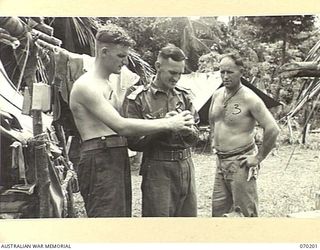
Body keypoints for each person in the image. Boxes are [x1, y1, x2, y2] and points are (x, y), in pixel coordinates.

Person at [69, 25, 195, 217]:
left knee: (120, 218)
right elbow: (121, 125)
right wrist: (170, 123)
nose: (125, 61)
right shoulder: (86, 85)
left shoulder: (109, 83)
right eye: (120, 56)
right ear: (104, 52)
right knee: (106, 220)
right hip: (100, 155)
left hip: (115, 155)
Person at [123, 44, 199, 217]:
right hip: (158, 167)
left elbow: (196, 137)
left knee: (188, 225)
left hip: (186, 165)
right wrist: (164, 125)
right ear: (158, 66)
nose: (176, 78)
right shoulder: (138, 99)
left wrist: (187, 130)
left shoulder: (184, 96)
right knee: (159, 225)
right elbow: (133, 142)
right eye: (172, 73)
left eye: (180, 73)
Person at [208, 52, 280, 217]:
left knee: (245, 215)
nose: (225, 76)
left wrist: (258, 158)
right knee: (218, 214)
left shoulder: (250, 98)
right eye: (222, 72)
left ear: (241, 71)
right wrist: (215, 140)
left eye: (230, 72)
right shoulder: (217, 95)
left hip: (241, 163)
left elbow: (273, 128)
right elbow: (213, 120)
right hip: (220, 162)